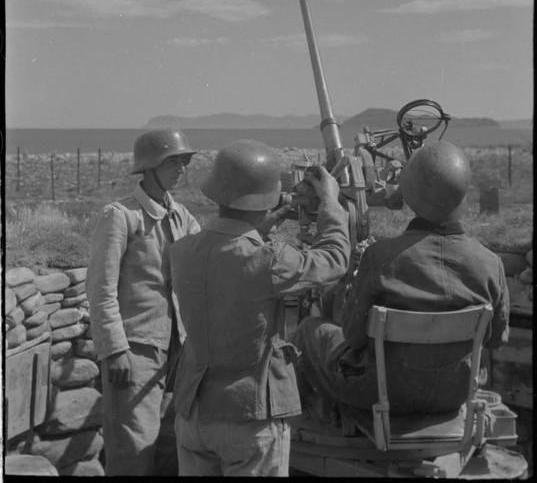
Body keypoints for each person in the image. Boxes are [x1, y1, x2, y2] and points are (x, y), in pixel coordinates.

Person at [169, 139, 350, 477]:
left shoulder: (182, 251)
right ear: (265, 198)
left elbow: (229, 250)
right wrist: (330, 202)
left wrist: (267, 221)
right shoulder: (271, 260)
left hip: (193, 415)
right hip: (249, 420)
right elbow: (335, 260)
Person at [294, 141, 510, 416]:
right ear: (463, 196)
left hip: (380, 393)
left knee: (309, 330)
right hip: (455, 393)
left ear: (407, 194)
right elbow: (497, 338)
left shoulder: (380, 257)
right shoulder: (491, 263)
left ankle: (306, 421)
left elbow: (353, 335)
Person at [86, 128, 201, 476]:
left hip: (176, 352)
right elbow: (101, 288)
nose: (181, 168)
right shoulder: (120, 216)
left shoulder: (181, 216)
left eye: (184, 161)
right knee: (132, 452)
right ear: (150, 166)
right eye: (173, 161)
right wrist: (114, 349)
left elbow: (206, 255)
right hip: (134, 354)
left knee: (169, 448)